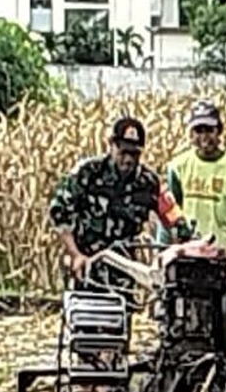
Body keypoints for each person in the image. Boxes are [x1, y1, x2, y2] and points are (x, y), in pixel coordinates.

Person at [48, 115, 197, 293]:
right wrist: (74, 253)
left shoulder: (149, 183)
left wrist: (189, 245)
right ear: (112, 146)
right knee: (83, 314)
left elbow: (173, 217)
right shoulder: (86, 173)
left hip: (123, 270)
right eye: (123, 152)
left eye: (134, 154)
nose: (128, 159)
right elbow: (59, 213)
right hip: (85, 265)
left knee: (119, 316)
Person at [163, 100, 226, 283]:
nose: (204, 136)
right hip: (187, 253)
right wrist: (163, 249)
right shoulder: (178, 167)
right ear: (191, 134)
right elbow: (168, 212)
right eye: (198, 130)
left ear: (219, 131)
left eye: (209, 130)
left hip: (221, 256)